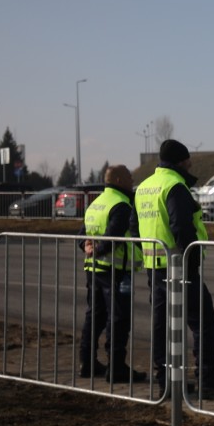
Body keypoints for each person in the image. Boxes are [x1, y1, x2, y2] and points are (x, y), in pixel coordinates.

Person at [135, 139, 214, 401]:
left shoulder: (145, 187)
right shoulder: (175, 187)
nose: (191, 163)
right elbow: (181, 227)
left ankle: (166, 383)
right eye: (188, 159)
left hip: (154, 267)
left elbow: (134, 227)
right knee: (204, 324)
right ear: (180, 161)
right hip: (178, 267)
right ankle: (207, 381)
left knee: (163, 325)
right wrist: (190, 262)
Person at [77, 164, 146, 384]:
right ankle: (116, 368)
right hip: (115, 272)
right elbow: (113, 235)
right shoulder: (121, 205)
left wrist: (86, 247)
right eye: (128, 176)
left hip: (94, 269)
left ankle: (87, 364)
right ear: (117, 180)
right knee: (118, 319)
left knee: (94, 317)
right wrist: (97, 248)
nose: (132, 178)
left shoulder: (97, 203)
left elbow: (81, 234)